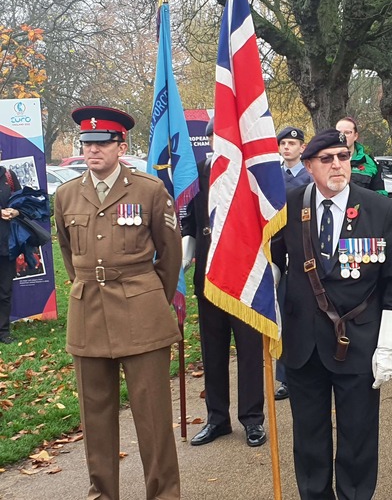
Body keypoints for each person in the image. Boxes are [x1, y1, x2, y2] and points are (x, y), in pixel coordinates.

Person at [272, 129, 392, 500]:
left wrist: (389, 347)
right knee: (308, 439)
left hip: (359, 341)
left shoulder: (381, 209)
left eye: (343, 156)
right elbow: (270, 263)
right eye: (327, 159)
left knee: (358, 437)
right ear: (308, 165)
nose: (338, 165)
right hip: (303, 343)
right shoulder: (286, 206)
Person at [55, 106, 182, 499]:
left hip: (141, 315)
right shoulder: (66, 194)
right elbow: (67, 253)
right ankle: (102, 494)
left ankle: (163, 494)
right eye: (86, 143)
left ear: (120, 146)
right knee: (94, 420)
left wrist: (147, 296)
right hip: (88, 314)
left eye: (102, 143)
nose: (93, 151)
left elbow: (170, 255)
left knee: (153, 420)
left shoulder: (148, 189)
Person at [181, 117, 266, 447]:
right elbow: (190, 215)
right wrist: (186, 249)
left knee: (248, 351)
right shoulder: (201, 170)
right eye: (217, 136)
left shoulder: (252, 171)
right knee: (212, 350)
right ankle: (217, 418)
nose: (222, 141)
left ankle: (252, 419)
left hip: (245, 274)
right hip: (210, 274)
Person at [275, 125, 313, 401]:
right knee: (285, 315)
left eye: (292, 143)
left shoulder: (310, 177)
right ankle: (286, 377)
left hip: (306, 248)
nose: (287, 147)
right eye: (283, 143)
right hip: (279, 250)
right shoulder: (271, 176)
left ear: (302, 147)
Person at [335, 117, 386, 193]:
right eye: (339, 133)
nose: (342, 136)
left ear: (355, 136)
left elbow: (380, 196)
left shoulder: (370, 163)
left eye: (347, 133)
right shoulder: (324, 160)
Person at [0, 162, 20, 344]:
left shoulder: (8, 176)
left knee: (5, 291)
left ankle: (3, 332)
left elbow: (22, 202)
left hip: (6, 244)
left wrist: (16, 211)